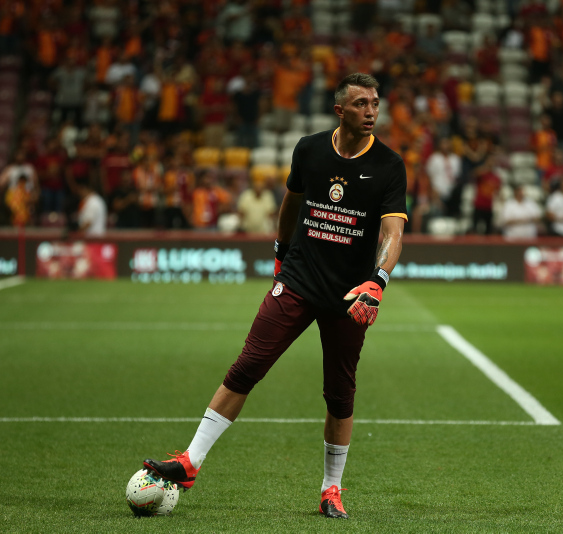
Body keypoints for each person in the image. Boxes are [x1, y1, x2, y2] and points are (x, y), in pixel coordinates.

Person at [142, 74, 407, 520]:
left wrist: (378, 281)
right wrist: (281, 255)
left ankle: (331, 489)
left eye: (375, 103)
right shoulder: (309, 149)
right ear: (339, 110)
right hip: (298, 279)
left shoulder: (388, 164)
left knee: (339, 393)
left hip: (349, 295)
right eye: (361, 103)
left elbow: (393, 232)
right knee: (248, 365)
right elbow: (292, 203)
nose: (371, 111)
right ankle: (190, 462)